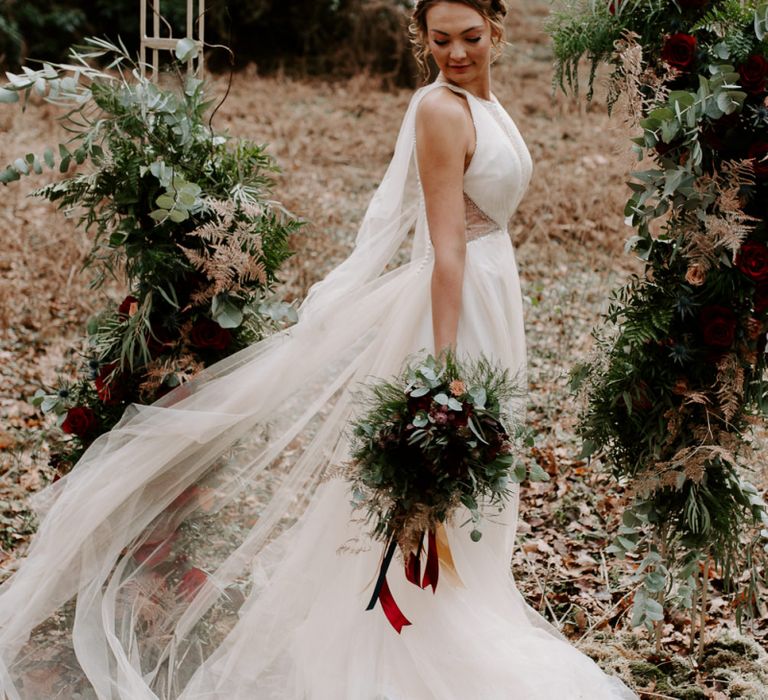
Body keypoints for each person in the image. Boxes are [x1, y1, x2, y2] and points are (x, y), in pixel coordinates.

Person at [0, 1, 640, 697]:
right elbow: (446, 247)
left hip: (495, 291)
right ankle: (426, 639)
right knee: (445, 480)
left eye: (471, 38)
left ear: (498, 30)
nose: (456, 53)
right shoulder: (440, 110)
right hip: (457, 307)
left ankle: (468, 606)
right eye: (440, 40)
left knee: (480, 483)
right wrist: (445, 371)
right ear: (421, 39)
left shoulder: (487, 105)